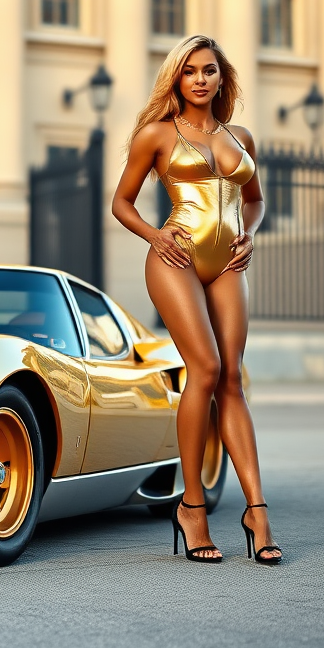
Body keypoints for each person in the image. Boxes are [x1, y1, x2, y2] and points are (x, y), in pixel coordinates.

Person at [111, 34, 282, 565]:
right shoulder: (157, 135)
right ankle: (192, 507)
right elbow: (121, 202)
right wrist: (155, 235)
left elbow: (252, 201)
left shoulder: (242, 136)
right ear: (176, 80)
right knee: (203, 369)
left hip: (228, 263)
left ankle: (256, 512)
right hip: (175, 260)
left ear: (222, 77)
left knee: (231, 376)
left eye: (209, 70)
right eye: (190, 72)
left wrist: (249, 234)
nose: (200, 79)